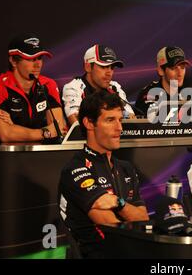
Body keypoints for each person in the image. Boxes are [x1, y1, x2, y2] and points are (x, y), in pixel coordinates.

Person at [57, 90, 149, 258]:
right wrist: (128, 211)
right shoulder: (75, 168)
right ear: (89, 123)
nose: (119, 128)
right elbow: (110, 226)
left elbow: (142, 218)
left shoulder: (126, 167)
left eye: (120, 120)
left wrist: (118, 202)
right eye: (110, 120)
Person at [0, 34, 66, 145]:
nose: (38, 64)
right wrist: (45, 132)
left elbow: (58, 130)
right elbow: (5, 135)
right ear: (13, 61)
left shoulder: (49, 85)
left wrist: (15, 128)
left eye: (39, 58)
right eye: (31, 59)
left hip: (39, 153)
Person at [61, 44, 135, 126]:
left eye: (112, 67)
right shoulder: (73, 88)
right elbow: (78, 124)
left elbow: (131, 119)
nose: (109, 73)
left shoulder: (114, 87)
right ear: (88, 67)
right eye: (103, 67)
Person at [134, 46, 192, 118]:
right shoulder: (149, 93)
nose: (180, 74)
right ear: (160, 70)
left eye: (183, 68)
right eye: (174, 68)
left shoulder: (190, 94)